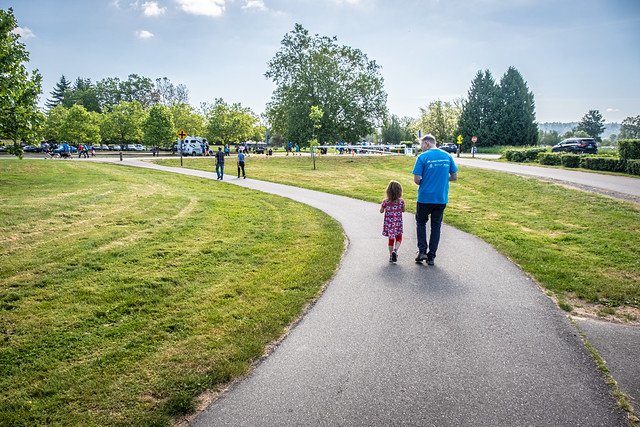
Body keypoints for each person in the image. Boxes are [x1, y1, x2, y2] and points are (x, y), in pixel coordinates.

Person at [412, 134, 458, 266]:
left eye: (421, 144)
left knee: (421, 223)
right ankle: (431, 256)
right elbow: (454, 176)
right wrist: (442, 178)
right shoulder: (447, 156)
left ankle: (422, 252)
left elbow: (416, 180)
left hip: (425, 198)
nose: (421, 147)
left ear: (426, 143)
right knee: (436, 226)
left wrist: (427, 179)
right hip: (440, 198)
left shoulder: (422, 157)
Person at [380, 180, 405, 263]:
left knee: (391, 239)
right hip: (397, 224)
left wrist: (383, 206)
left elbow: (381, 211)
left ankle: (391, 255)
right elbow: (403, 210)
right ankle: (395, 250)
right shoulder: (401, 201)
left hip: (389, 224)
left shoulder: (385, 201)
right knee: (399, 237)